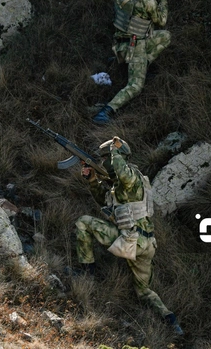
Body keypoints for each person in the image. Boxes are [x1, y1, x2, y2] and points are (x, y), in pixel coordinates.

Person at [75, 136, 183, 335]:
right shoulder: (122, 186)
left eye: (105, 158)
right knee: (144, 292)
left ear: (118, 157)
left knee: (83, 222)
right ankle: (170, 318)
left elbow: (123, 173)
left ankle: (87, 274)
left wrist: (114, 151)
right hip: (146, 244)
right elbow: (103, 200)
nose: (104, 162)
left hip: (131, 242)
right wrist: (92, 179)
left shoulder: (131, 176)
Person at [93, 0, 171, 124]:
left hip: (118, 42)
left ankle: (129, 62)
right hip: (135, 46)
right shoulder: (148, 1)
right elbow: (161, 20)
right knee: (136, 86)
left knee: (165, 36)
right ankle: (106, 111)